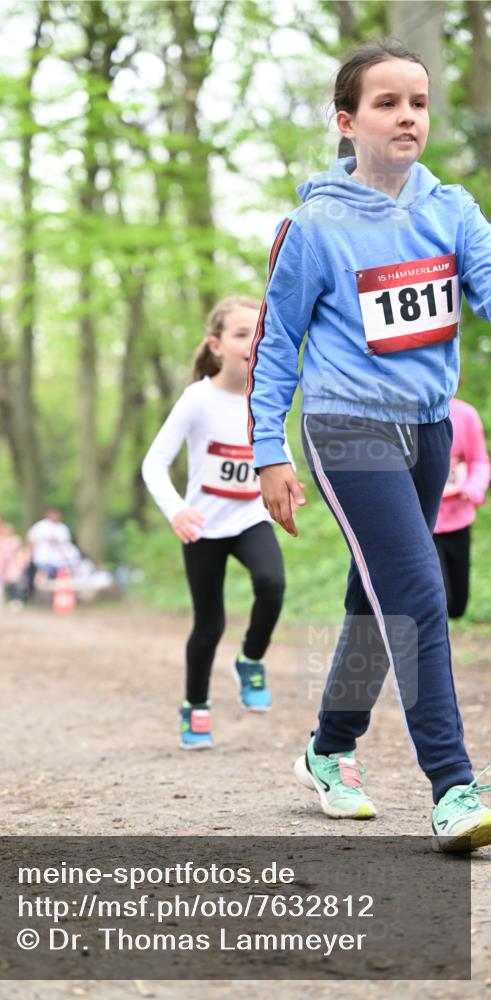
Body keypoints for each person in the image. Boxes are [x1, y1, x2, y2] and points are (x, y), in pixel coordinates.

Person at [248, 42, 491, 851]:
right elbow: (274, 347)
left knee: (372, 599)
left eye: (417, 102)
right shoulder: (313, 225)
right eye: (387, 103)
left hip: (426, 429)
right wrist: (268, 452)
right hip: (346, 429)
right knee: (418, 589)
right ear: (348, 123)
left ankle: (328, 748)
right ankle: (454, 786)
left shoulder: (451, 209)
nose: (407, 116)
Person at [143, 296, 287, 750]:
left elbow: (276, 454)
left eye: (257, 332)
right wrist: (176, 510)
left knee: (272, 582)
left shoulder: (269, 394)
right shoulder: (198, 399)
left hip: (249, 517)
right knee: (209, 624)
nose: (252, 341)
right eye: (241, 333)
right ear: (217, 345)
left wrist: (289, 482)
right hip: (202, 525)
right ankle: (196, 708)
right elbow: (154, 464)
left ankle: (251, 660)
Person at [434, 397, 490, 619]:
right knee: (439, 600)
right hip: (424, 522)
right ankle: (430, 651)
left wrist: (473, 488)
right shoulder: (406, 413)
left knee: (457, 605)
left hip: (459, 518)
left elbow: (479, 461)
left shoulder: (465, 414)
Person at [27, 508, 75, 596]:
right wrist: (31, 554)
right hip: (42, 558)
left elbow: (66, 545)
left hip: (59, 560)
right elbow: (31, 540)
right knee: (41, 578)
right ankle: (40, 596)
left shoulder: (62, 528)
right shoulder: (40, 526)